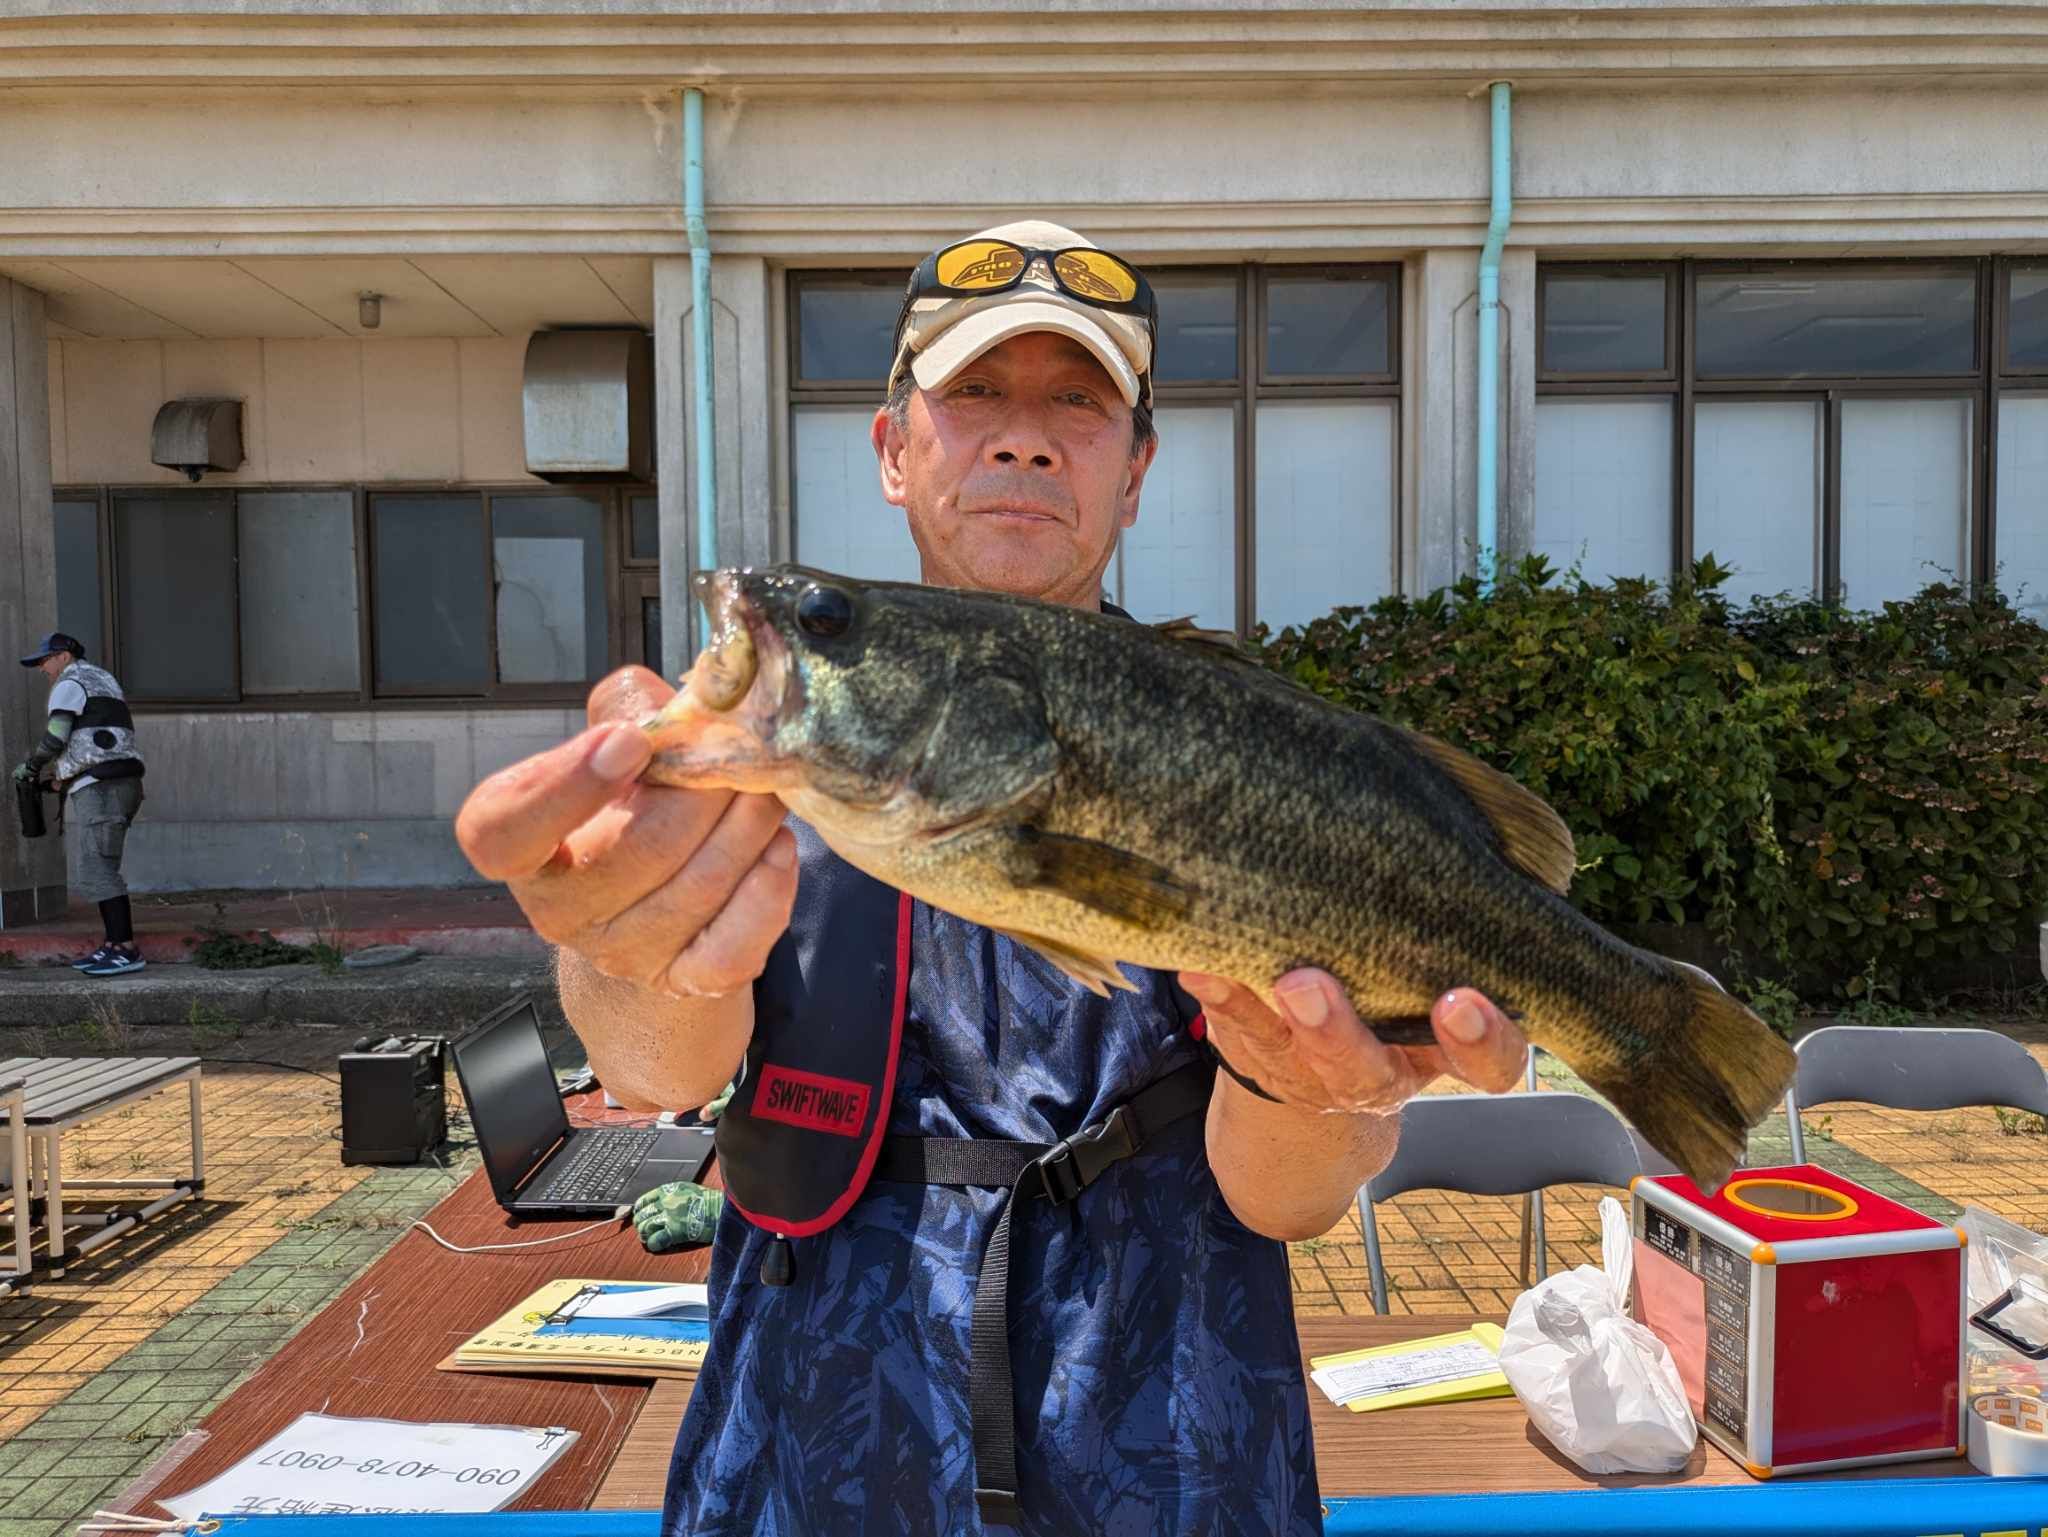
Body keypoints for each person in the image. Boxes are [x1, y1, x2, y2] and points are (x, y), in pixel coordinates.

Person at [456, 221, 1529, 1535]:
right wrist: (624, 952)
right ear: (893, 449)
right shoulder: (770, 749)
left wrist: (1322, 1098)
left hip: (1173, 1450)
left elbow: (1287, 1194)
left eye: (1075, 403)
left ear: (1135, 473)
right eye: (972, 394)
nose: (1022, 437)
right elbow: (665, 1063)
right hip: (818, 1448)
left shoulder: (1235, 751)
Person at [14, 631, 148, 977]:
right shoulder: (103, 679)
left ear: (63, 655)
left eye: (44, 661)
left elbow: (57, 735)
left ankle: (125, 950)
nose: (43, 669)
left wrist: (33, 765)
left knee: (98, 869)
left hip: (103, 788)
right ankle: (112, 946)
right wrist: (59, 779)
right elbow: (96, 740)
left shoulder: (70, 682)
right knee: (100, 865)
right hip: (119, 782)